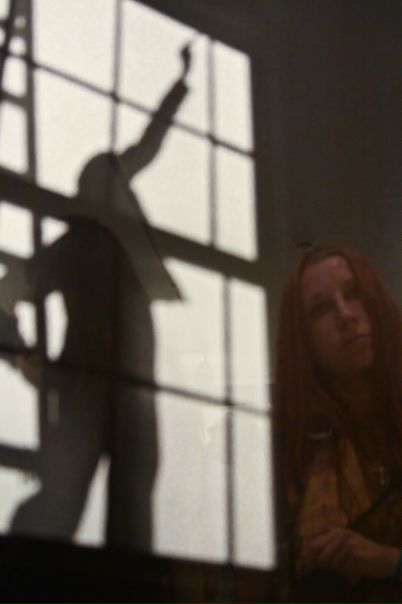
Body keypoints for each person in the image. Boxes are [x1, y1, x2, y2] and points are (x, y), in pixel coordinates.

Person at [275, 246, 402, 603]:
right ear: (303, 340)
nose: (346, 315)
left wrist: (389, 561)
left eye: (353, 294)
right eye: (320, 309)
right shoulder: (290, 449)